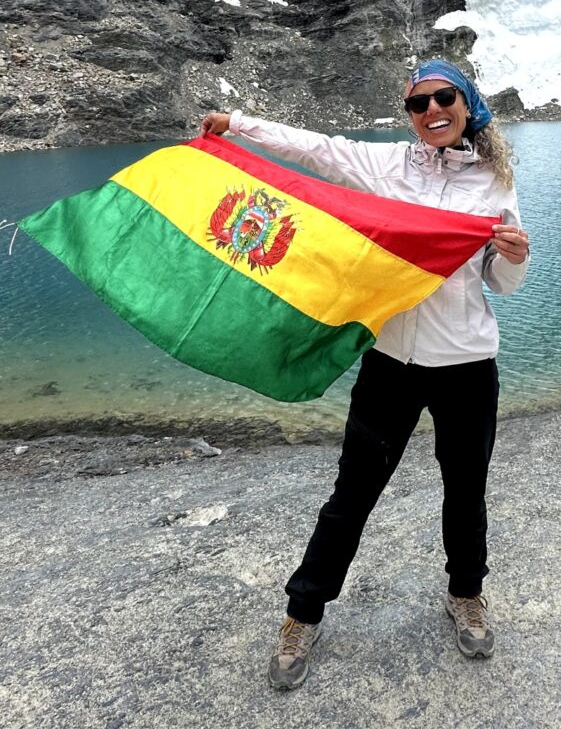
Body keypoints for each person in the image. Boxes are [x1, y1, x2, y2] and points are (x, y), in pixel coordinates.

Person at [200, 60, 529, 691]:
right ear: (410, 115)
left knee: (466, 492)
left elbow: (500, 283)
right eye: (418, 103)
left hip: (467, 367)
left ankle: (465, 595)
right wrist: (237, 124)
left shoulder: (494, 182)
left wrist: (514, 257)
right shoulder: (386, 168)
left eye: (444, 98)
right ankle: (303, 614)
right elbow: (316, 151)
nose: (432, 110)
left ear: (468, 106)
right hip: (391, 367)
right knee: (352, 496)